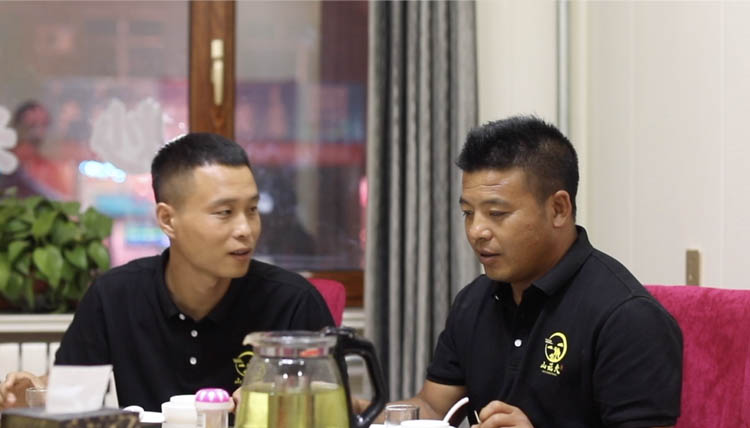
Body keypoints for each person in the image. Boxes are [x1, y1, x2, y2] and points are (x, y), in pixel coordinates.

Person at [377, 116, 683, 427]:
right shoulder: (474, 300)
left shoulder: (628, 318)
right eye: (468, 213)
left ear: (558, 209)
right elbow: (433, 406)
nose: (476, 231)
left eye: (497, 213)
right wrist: (363, 415)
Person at [0, 133, 334, 411]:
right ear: (167, 220)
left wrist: (286, 400)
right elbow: (71, 396)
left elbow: (339, 409)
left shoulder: (293, 302)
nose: (245, 229)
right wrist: (34, 392)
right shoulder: (114, 297)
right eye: (224, 212)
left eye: (252, 210)